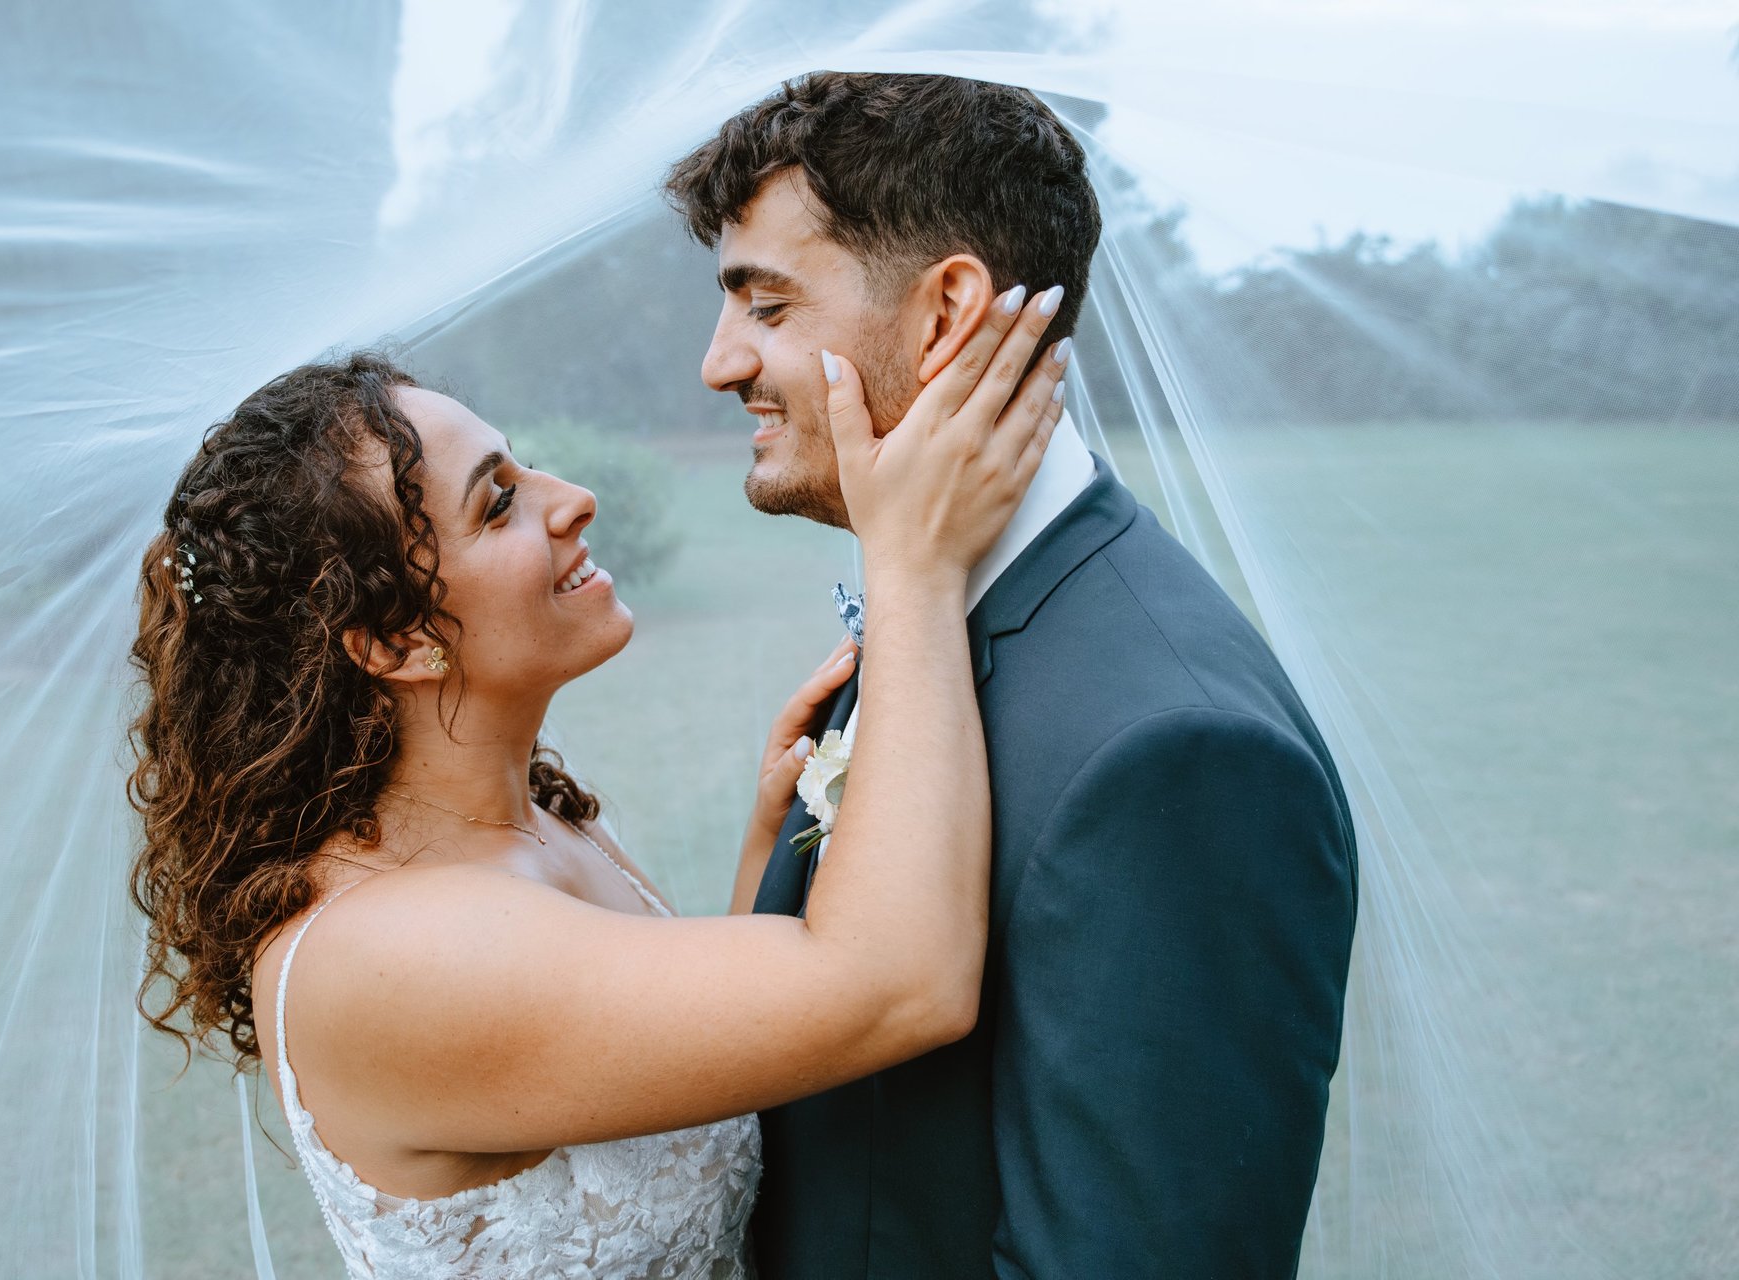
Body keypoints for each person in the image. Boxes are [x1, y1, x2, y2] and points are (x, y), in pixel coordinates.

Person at [127, 287, 1067, 1276]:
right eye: (499, 501)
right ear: (396, 640)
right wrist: (914, 562)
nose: (572, 496)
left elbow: (695, 1063)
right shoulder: (389, 956)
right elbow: (901, 988)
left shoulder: (531, 822)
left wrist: (764, 838)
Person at [665, 71, 1360, 1277]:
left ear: (946, 313)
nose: (720, 363)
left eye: (766, 305)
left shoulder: (1174, 750)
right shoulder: (919, 597)